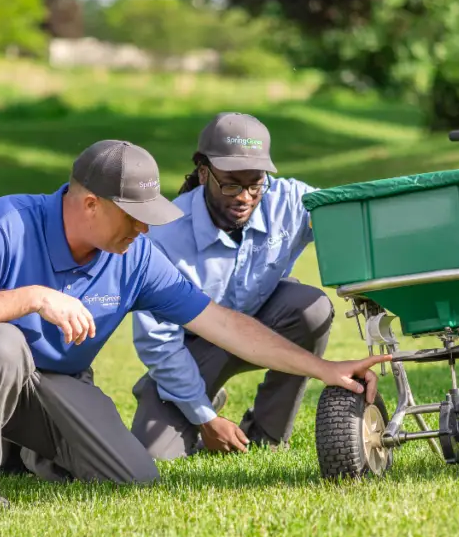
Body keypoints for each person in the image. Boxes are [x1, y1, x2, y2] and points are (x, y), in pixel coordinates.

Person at [0, 139, 388, 509]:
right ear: (90, 202)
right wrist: (32, 298)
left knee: (133, 476)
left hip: (53, 379)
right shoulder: (5, 222)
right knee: (2, 343)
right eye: (133, 216)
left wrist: (325, 369)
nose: (143, 229)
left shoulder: (134, 256)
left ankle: (20, 448)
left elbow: (224, 325)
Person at [131, 112, 334, 459]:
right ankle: (203, 397)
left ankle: (267, 433)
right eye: (231, 184)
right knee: (153, 456)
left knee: (311, 308)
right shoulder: (162, 235)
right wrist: (205, 418)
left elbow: (347, 216)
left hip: (264, 326)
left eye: (255, 184)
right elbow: (159, 343)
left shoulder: (286, 199)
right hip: (193, 350)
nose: (244, 197)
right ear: (204, 173)